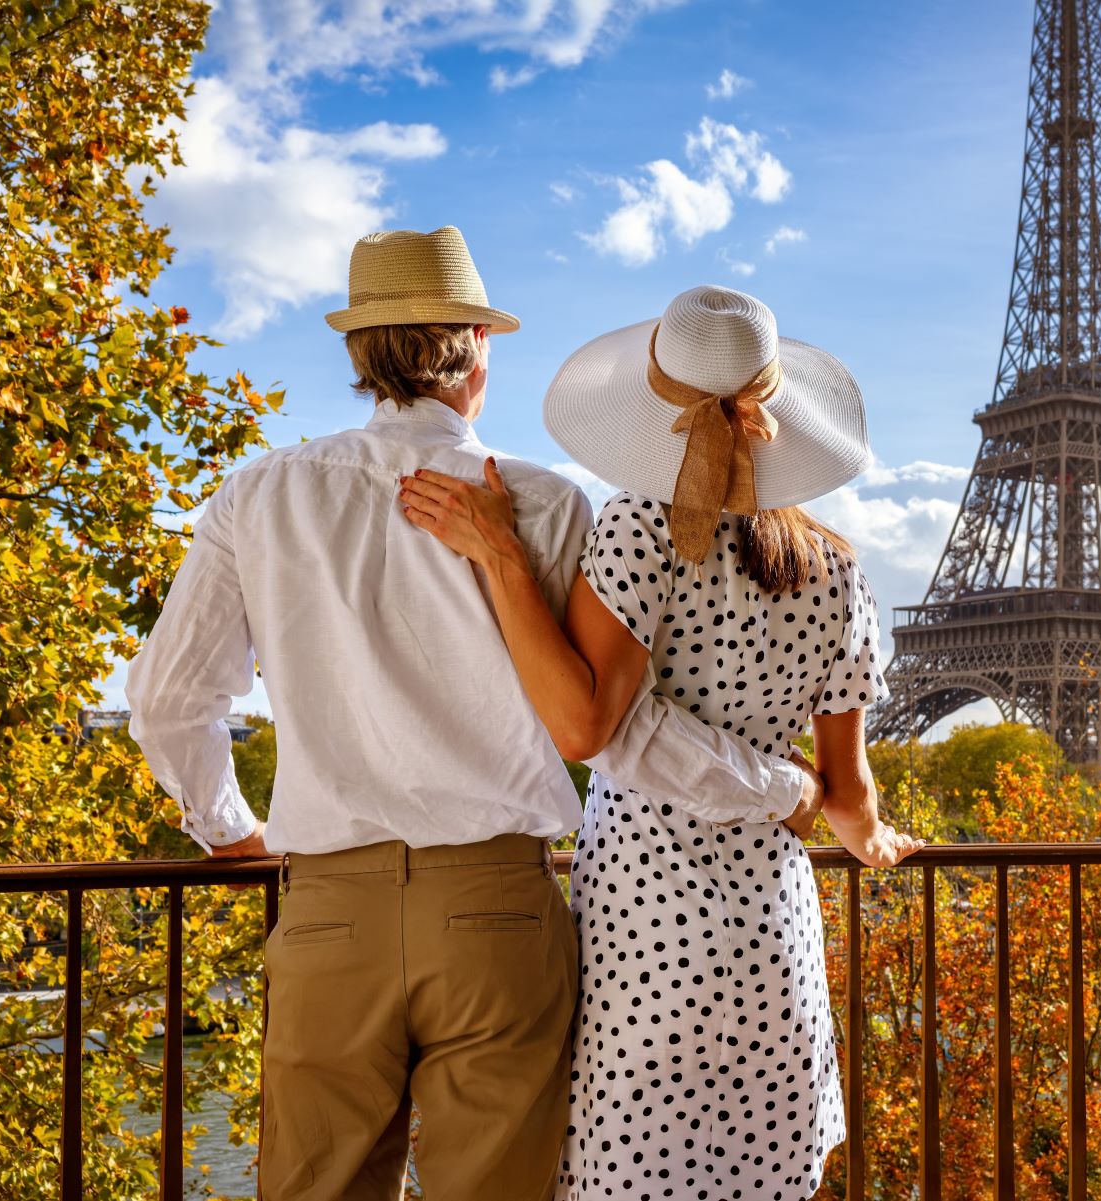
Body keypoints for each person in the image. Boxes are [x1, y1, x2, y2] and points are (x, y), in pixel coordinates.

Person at [127, 232, 821, 1201]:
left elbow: (168, 703)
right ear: (475, 350)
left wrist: (229, 831)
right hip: (499, 908)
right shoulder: (543, 501)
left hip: (331, 908)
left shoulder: (260, 496)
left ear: (361, 356)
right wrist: (789, 787)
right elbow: (613, 724)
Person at [396, 283, 922, 1200]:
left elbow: (589, 723)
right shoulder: (840, 569)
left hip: (645, 928)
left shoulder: (641, 529)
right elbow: (848, 797)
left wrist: (503, 561)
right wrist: (872, 840)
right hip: (771, 937)